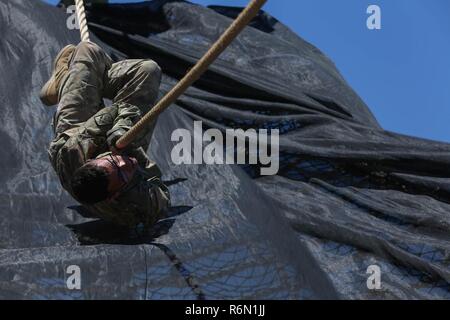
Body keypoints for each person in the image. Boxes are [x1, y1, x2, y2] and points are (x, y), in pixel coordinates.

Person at [41, 41, 170, 229]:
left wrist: (118, 130)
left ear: (91, 161)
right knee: (148, 70)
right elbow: (160, 191)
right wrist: (131, 151)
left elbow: (111, 113)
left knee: (87, 49)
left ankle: (64, 81)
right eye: (121, 172)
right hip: (121, 147)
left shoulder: (74, 149)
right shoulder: (140, 204)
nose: (125, 163)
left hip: (76, 127)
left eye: (114, 162)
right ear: (115, 194)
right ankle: (76, 79)